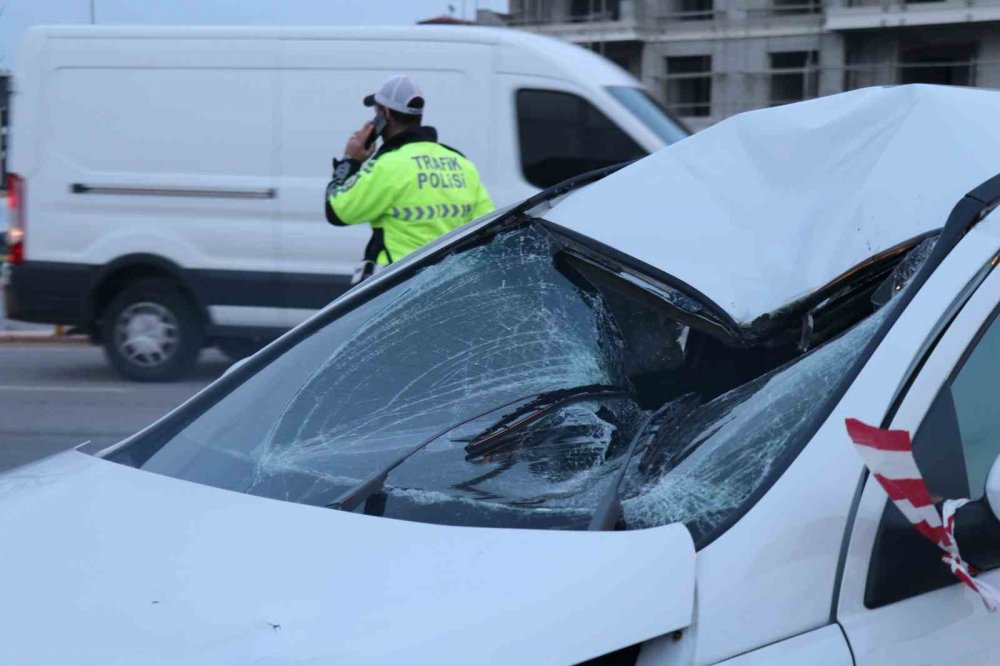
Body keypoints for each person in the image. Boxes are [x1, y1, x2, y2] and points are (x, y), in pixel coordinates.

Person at [325, 75, 494, 282]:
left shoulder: (388, 165)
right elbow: (487, 227)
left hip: (398, 287)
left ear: (384, 114)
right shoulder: (460, 163)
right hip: (451, 284)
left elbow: (337, 211)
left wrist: (350, 161)